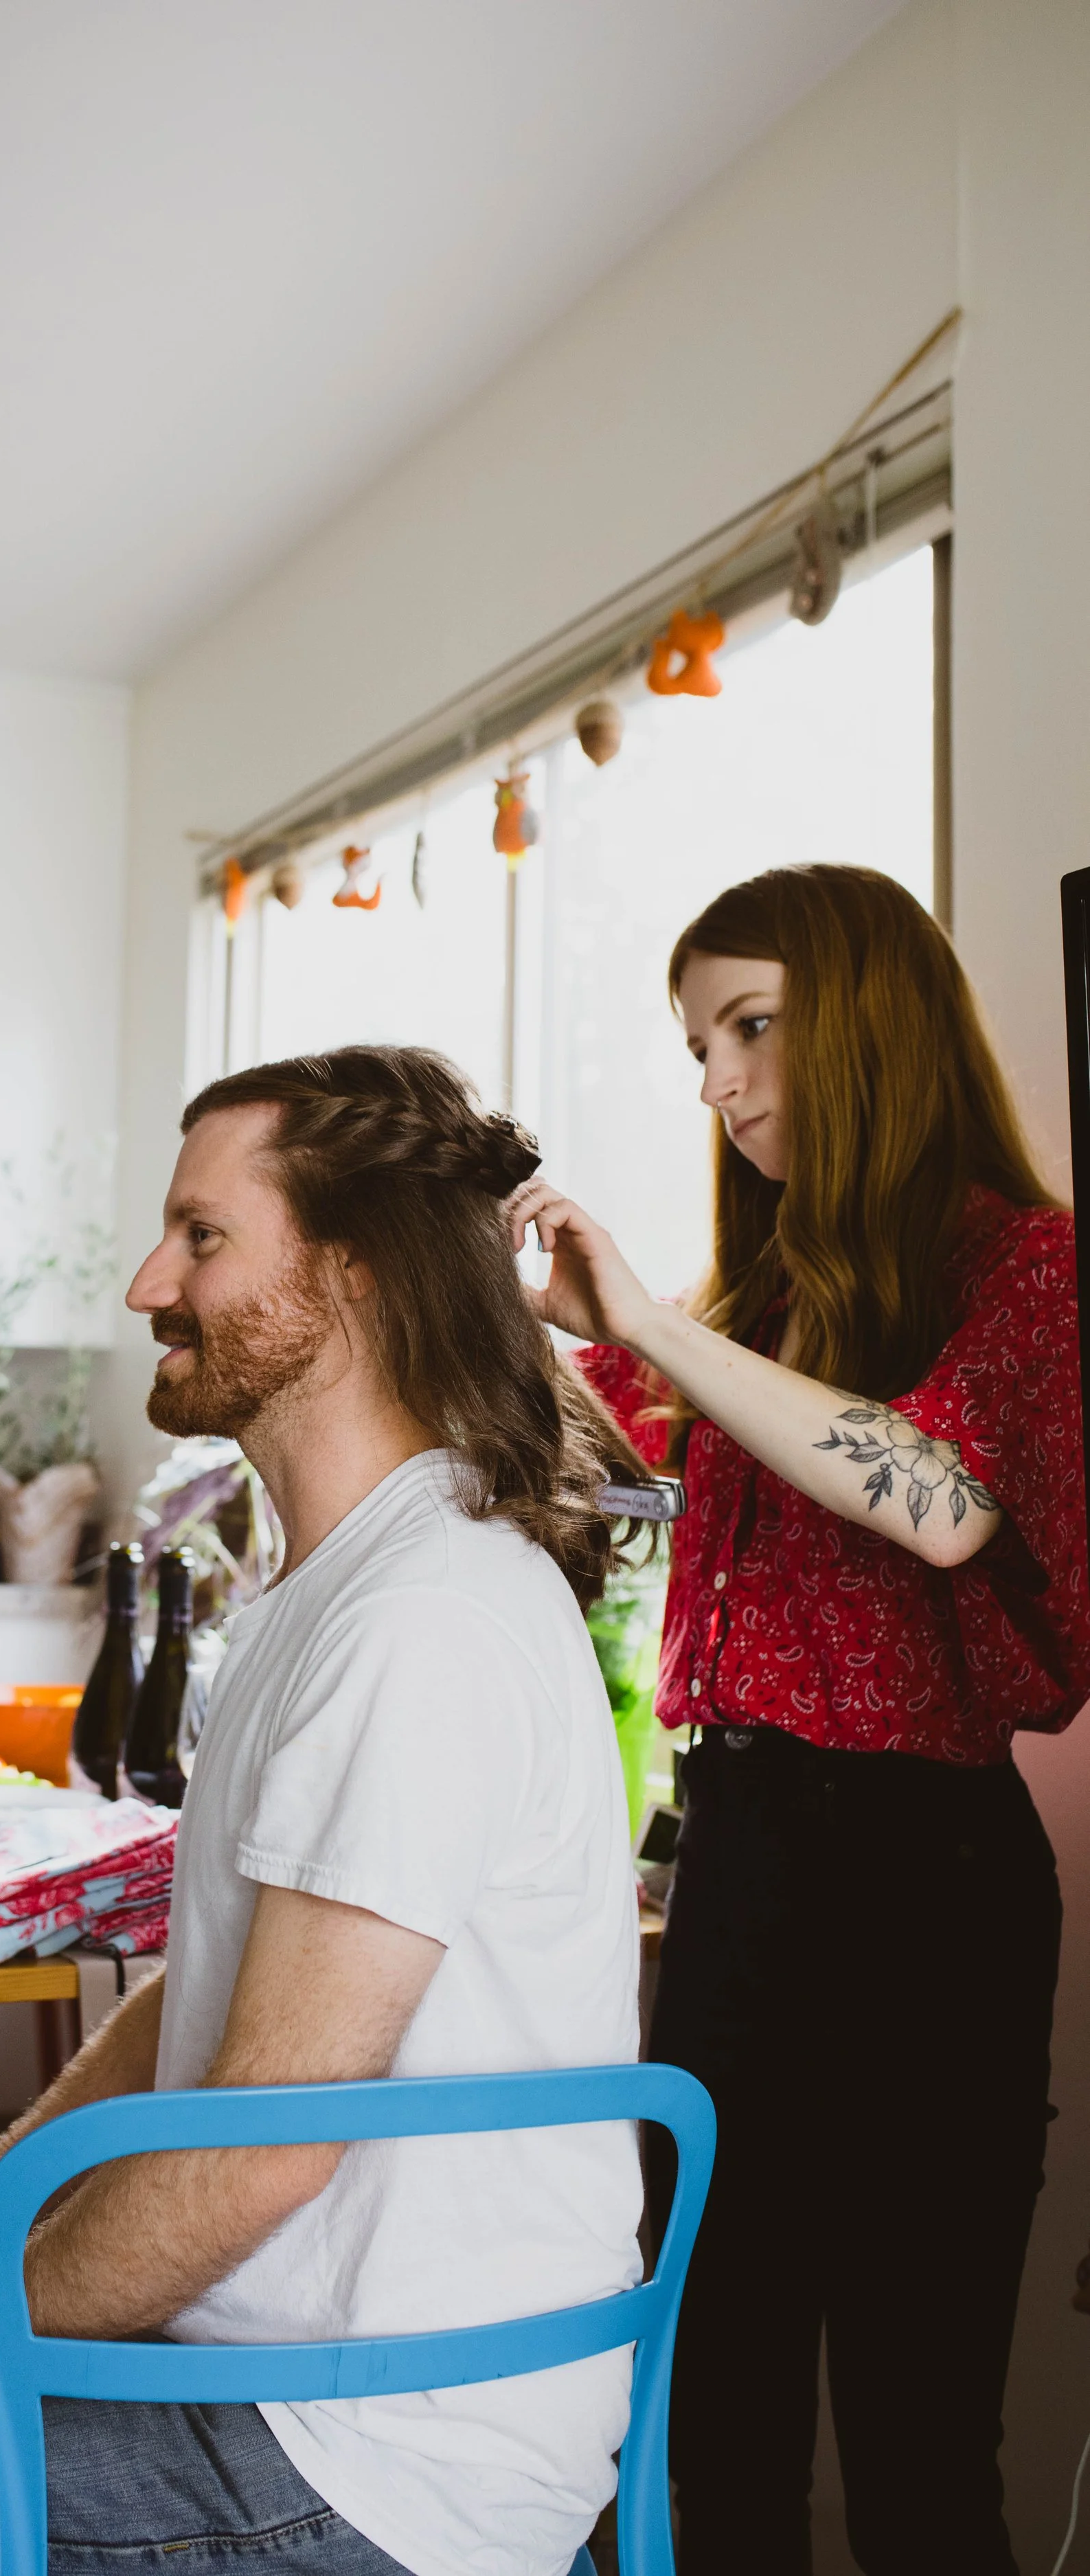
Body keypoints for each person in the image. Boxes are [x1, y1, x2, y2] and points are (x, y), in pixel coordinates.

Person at [0, 1044, 655, 2576]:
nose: (142, 1283)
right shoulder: (323, 1586)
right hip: (275, 2364)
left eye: (200, 1236)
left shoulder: (421, 1622)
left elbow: (252, 2156)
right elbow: (204, 2008)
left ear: (354, 1278)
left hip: (382, 2441)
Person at [506, 864, 1090, 2576]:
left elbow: (942, 1502)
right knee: (712, 2420)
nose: (718, 1083)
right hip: (741, 1861)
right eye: (697, 1044)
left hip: (925, 1883)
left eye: (750, 1026)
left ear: (873, 1015)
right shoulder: (752, 1313)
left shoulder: (1029, 1269)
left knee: (917, 2458)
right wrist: (523, 1315)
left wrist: (653, 1329)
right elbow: (580, 1477)